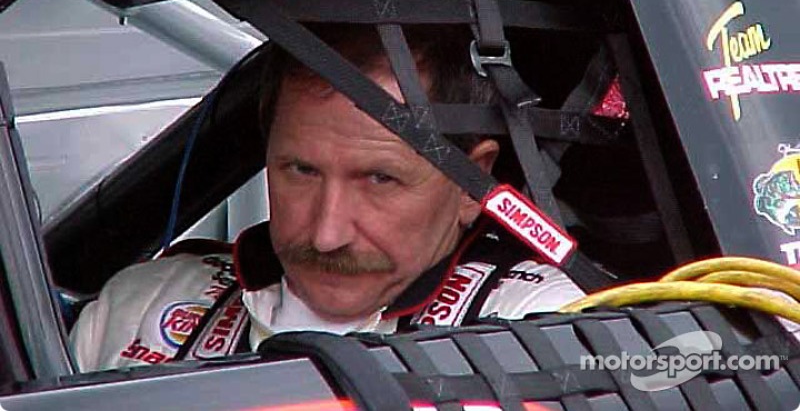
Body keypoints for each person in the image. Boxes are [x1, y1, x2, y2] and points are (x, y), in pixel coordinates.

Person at [69, 19, 585, 372]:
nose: (326, 233)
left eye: (379, 180)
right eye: (301, 170)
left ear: (472, 185)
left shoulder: (538, 330)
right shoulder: (142, 306)